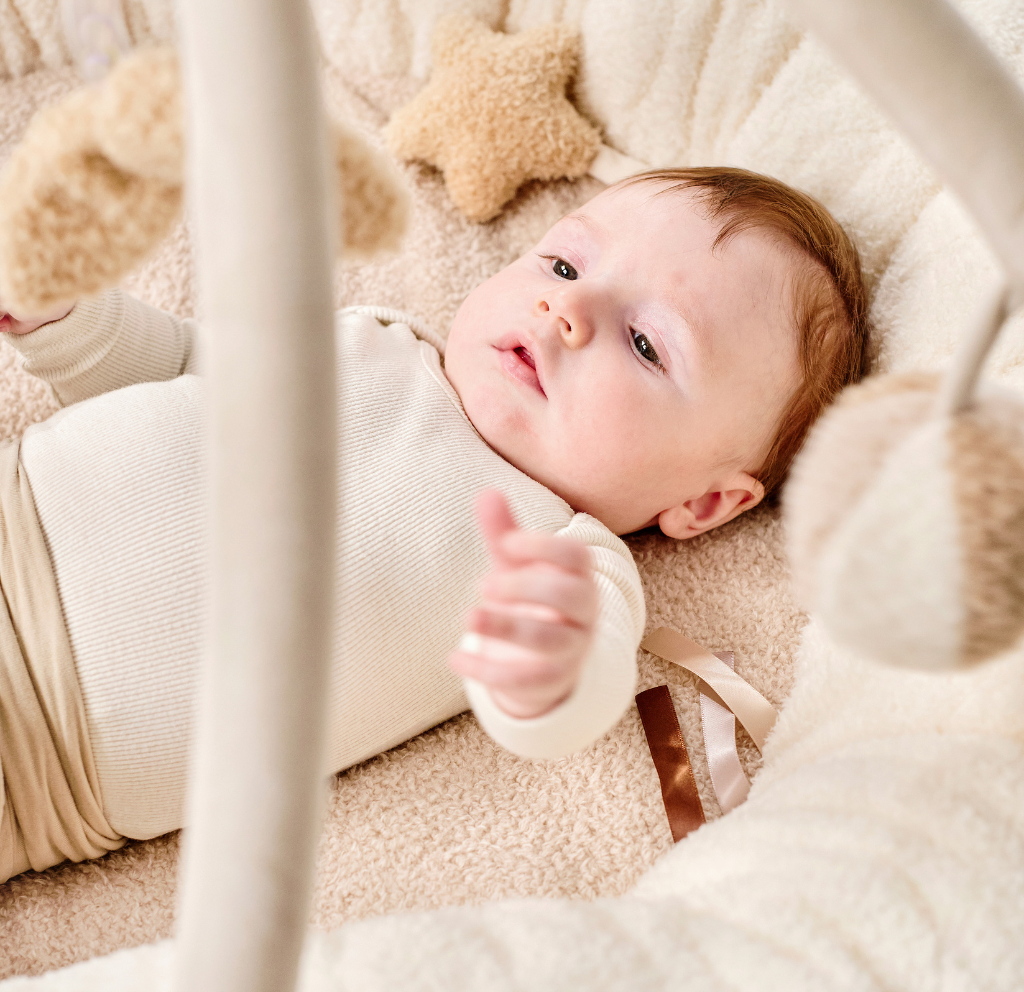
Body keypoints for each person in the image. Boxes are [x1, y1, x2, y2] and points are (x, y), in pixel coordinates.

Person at [0, 167, 867, 881]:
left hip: (40, 755)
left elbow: (568, 706)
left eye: (645, 345)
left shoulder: (569, 565)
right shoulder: (376, 341)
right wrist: (74, 320)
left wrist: (546, 663)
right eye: (564, 266)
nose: (566, 310)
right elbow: (187, 368)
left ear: (706, 504)